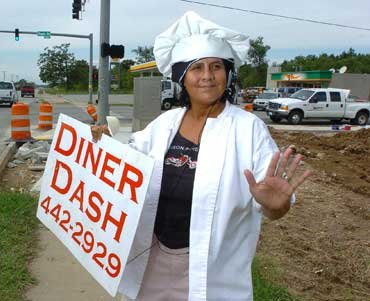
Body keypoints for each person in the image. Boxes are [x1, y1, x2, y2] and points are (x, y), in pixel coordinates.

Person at [91, 11, 311, 301]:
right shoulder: (165, 124)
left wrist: (274, 206)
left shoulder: (249, 130)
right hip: (151, 259)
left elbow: (272, 206)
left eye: (216, 66)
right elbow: (127, 168)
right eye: (197, 68)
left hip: (211, 272)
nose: (207, 76)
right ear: (183, 77)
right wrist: (103, 146)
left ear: (228, 73)